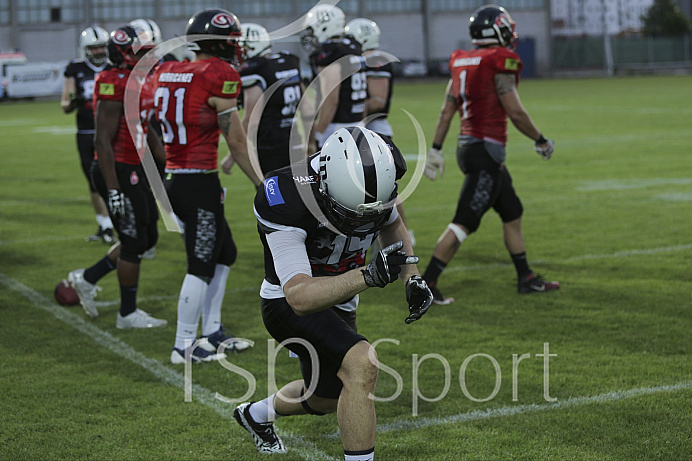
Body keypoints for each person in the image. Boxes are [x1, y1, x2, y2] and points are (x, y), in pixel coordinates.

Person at [233, 127, 433, 460]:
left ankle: (254, 414)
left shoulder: (377, 178)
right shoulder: (284, 194)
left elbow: (391, 220)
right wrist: (367, 275)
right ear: (325, 186)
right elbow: (298, 296)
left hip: (341, 298)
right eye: (350, 215)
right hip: (288, 302)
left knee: (325, 398)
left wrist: (411, 276)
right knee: (361, 363)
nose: (358, 224)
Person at [422, 4, 559, 304]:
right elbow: (516, 111)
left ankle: (525, 278)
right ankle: (426, 284)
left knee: (512, 211)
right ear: (498, 29)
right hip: (486, 151)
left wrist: (435, 149)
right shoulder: (500, 61)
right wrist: (540, 139)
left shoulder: (462, 60)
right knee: (464, 221)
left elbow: (447, 111)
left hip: (469, 148)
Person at [154, 8, 263, 364]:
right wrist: (263, 184)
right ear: (218, 43)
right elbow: (235, 141)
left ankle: (212, 330)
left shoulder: (170, 70)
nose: (236, 47)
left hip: (178, 178)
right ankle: (183, 346)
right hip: (197, 182)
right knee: (200, 264)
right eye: (231, 41)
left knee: (225, 253)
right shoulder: (219, 73)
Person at [67, 24, 167, 329]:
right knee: (134, 241)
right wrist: (112, 190)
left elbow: (145, 125)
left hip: (136, 167)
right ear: (122, 54)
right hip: (117, 169)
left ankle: (87, 278)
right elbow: (102, 141)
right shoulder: (112, 80)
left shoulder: (140, 79)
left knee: (148, 237)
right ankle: (127, 313)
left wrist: (166, 163)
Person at [345, 17, 416, 247]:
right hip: (364, 129)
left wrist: (346, 109)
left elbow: (377, 100)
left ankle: (403, 237)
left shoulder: (375, 60)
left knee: (386, 188)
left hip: (376, 130)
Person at [61, 26, 115, 244]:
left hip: (111, 132)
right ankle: (105, 226)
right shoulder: (75, 69)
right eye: (95, 48)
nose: (100, 51)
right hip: (86, 131)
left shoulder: (114, 68)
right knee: (93, 181)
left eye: (103, 46)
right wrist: (74, 102)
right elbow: (65, 104)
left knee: (115, 178)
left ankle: (120, 222)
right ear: (86, 49)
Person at [237, 22, 307, 175]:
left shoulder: (256, 69)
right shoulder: (288, 61)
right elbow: (307, 107)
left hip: (271, 147)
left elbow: (251, 120)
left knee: (271, 195)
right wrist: (312, 140)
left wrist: (233, 153)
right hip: (296, 142)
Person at [301, 4, 367, 150]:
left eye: (312, 30)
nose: (310, 36)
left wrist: (318, 133)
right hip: (358, 124)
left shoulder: (331, 53)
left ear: (324, 26)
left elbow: (331, 99)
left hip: (336, 128)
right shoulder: (353, 47)